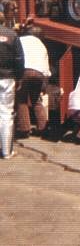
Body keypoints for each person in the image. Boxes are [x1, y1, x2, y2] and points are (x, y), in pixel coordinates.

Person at [15, 26, 51, 138]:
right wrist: (45, 84)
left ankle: (24, 129)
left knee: (21, 99)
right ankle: (42, 127)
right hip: (39, 73)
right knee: (36, 100)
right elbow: (46, 66)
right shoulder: (42, 46)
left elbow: (16, 56)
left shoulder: (20, 40)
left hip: (25, 71)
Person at [0, 11, 24, 158]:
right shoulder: (12, 35)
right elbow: (19, 59)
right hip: (7, 78)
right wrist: (19, 77)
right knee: (6, 114)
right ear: (3, 21)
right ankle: (6, 152)